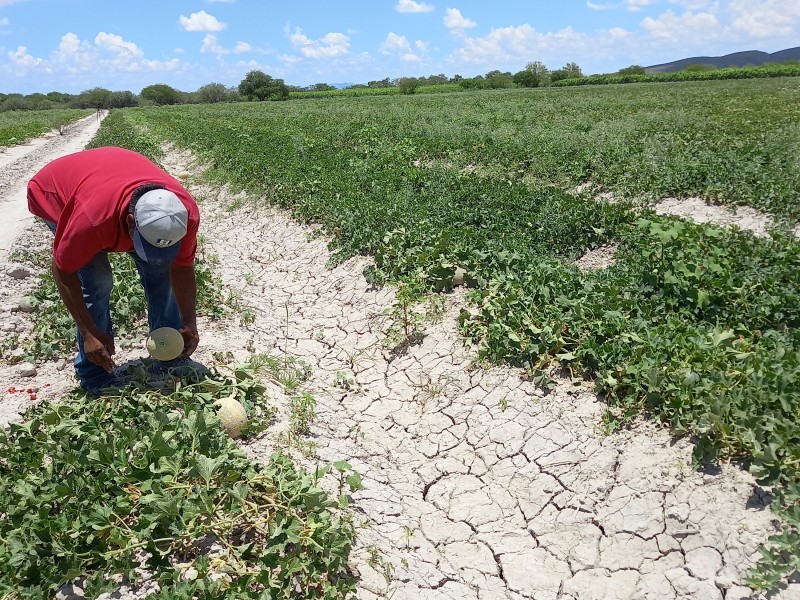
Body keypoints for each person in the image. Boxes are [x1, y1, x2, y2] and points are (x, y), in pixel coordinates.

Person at [27, 146, 201, 395]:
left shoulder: (184, 216)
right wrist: (89, 332)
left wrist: (189, 321)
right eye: (147, 245)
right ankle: (95, 373)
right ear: (131, 223)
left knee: (160, 271)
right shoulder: (90, 222)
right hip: (55, 193)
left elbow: (182, 268)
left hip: (108, 183)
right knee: (97, 280)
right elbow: (63, 271)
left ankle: (169, 354)